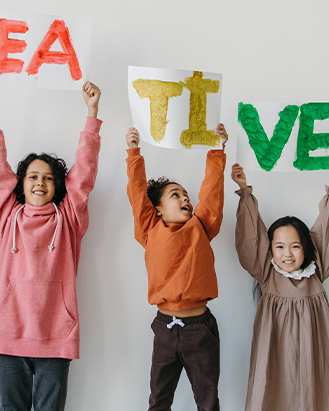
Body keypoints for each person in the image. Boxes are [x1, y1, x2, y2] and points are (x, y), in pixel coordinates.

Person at [0, 76, 102, 411]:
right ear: (20, 184)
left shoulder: (70, 219)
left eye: (48, 178)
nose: (40, 182)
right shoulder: (8, 216)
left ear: (58, 186)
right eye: (32, 176)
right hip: (10, 333)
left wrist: (92, 114)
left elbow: (84, 174)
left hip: (56, 336)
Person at [125, 125, 228, 411]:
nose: (185, 198)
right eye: (175, 195)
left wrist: (217, 150)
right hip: (164, 328)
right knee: (158, 400)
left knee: (207, 402)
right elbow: (137, 195)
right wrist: (134, 153)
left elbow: (211, 193)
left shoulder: (201, 226)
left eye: (186, 196)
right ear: (157, 209)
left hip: (200, 329)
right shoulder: (150, 230)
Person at [232, 159, 329, 411]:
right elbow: (250, 236)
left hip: (313, 351)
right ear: (270, 249)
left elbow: (328, 231)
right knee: (272, 392)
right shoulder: (266, 272)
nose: (288, 254)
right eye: (280, 247)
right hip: (274, 351)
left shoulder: (317, 270)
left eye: (295, 246)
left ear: (306, 247)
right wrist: (244, 190)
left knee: (317, 393)